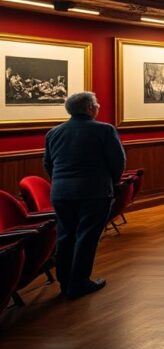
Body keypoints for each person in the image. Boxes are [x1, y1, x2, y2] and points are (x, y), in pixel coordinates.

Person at [43, 91, 125, 299]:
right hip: (94, 190)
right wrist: (113, 182)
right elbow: (117, 161)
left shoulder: (54, 132)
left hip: (61, 192)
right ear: (89, 108)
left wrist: (60, 182)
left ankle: (65, 281)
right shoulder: (104, 130)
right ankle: (79, 282)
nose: (98, 107)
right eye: (96, 104)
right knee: (87, 236)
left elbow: (48, 164)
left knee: (65, 235)